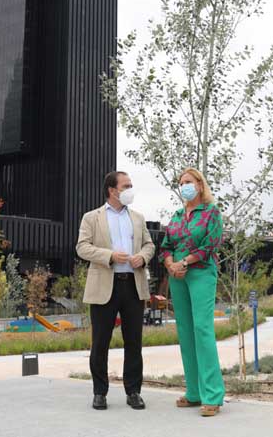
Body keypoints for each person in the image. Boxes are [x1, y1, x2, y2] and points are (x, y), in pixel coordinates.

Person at [76, 171, 155, 410]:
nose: (131, 188)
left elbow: (149, 245)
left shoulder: (138, 218)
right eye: (126, 185)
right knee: (100, 342)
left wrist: (142, 257)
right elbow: (82, 247)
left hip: (133, 286)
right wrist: (109, 256)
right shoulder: (92, 218)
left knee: (134, 343)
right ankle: (100, 392)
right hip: (104, 286)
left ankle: (134, 392)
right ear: (112, 190)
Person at [160, 168, 225, 417]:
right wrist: (170, 264)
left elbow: (211, 245)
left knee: (202, 330)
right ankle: (194, 393)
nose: (183, 186)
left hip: (200, 273)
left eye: (187, 181)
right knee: (185, 332)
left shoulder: (211, 213)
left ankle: (213, 395)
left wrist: (185, 262)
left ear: (199, 184)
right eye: (180, 183)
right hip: (177, 276)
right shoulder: (176, 216)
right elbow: (166, 245)